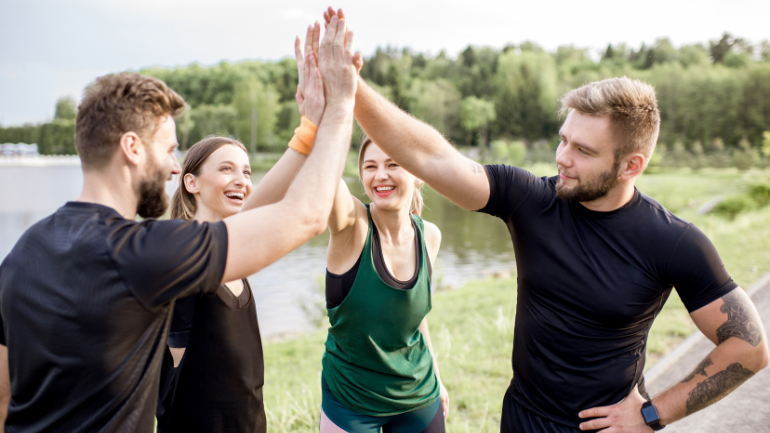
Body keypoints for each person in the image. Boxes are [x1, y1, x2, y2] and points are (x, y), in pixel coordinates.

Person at [321, 8, 769, 432]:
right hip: (521, 419)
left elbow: (749, 347)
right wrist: (351, 89)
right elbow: (433, 158)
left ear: (630, 166)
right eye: (563, 140)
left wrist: (653, 413)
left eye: (583, 150)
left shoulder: (673, 242)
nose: (562, 158)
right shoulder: (530, 200)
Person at [0, 15, 358, 432]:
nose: (174, 166)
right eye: (169, 149)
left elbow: (4, 396)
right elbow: (306, 216)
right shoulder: (141, 252)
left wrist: (308, 129)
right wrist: (340, 109)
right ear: (132, 148)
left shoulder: (23, 253)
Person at [155, 25, 328, 433]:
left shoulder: (230, 247)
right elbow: (171, 368)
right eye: (227, 169)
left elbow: (265, 198)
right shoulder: (183, 253)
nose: (241, 180)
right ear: (191, 182)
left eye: (247, 172)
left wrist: (310, 125)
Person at [319, 136, 448, 432]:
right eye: (370, 166)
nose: (380, 175)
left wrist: (438, 378)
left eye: (393, 164)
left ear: (417, 173)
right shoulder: (352, 225)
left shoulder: (429, 236)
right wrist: (322, 121)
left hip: (418, 392)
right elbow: (325, 176)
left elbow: (413, 317)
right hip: (351, 400)